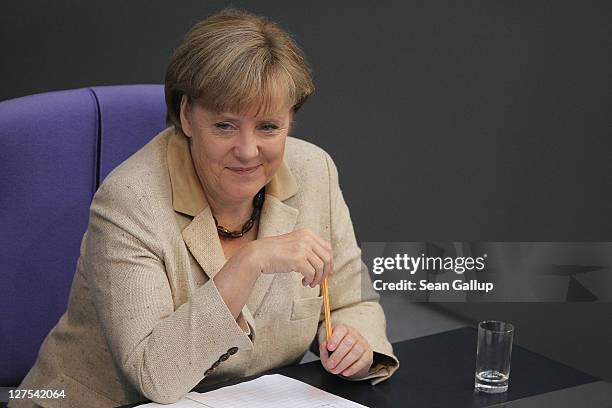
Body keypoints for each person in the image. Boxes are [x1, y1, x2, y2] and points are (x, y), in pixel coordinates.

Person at [11, 8, 398, 407]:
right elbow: (154, 375)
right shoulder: (130, 203)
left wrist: (357, 341)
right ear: (187, 116)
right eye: (225, 126)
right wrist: (248, 262)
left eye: (268, 127)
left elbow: (354, 302)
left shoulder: (315, 171)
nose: (248, 152)